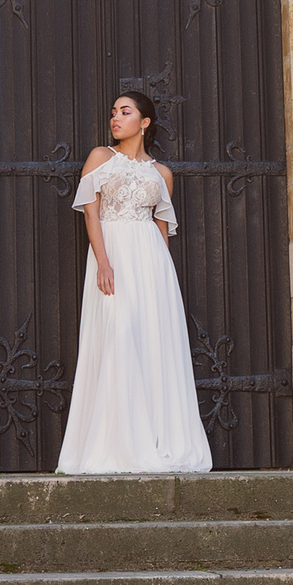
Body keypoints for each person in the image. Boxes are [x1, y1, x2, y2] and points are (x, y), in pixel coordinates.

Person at [54, 90, 213, 474]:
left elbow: (162, 232)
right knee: (118, 335)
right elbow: (92, 216)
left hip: (152, 265)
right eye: (113, 112)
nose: (115, 118)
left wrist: (162, 282)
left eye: (125, 112)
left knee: (153, 344)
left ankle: (159, 439)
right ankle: (116, 444)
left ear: (144, 122)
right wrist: (103, 263)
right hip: (114, 257)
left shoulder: (162, 174)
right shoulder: (100, 157)